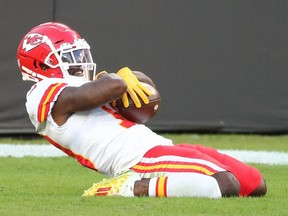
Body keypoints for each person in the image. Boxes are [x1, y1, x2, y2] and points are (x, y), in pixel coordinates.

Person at [17, 22, 267, 198]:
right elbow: (110, 86)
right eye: (70, 56)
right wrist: (118, 78)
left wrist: (129, 80)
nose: (80, 61)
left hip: (159, 147)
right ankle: (130, 188)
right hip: (136, 159)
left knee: (255, 184)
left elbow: (142, 100)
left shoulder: (91, 87)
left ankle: (142, 184)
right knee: (226, 184)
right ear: (41, 63)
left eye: (80, 53)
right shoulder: (40, 94)